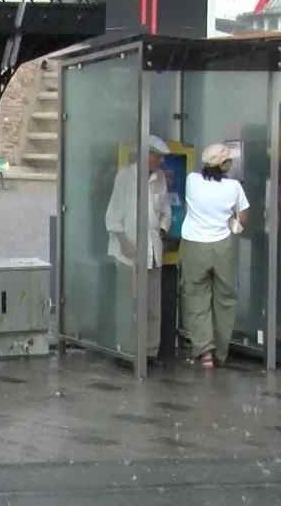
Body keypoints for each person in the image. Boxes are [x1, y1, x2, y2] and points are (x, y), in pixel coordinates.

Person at [179, 143, 250, 367]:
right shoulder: (234, 187)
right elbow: (243, 217)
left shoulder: (192, 180)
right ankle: (220, 352)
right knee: (225, 298)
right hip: (222, 246)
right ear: (224, 165)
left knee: (195, 296)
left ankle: (204, 351)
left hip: (194, 244)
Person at [104, 135, 173, 362]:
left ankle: (149, 352)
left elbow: (165, 210)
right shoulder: (125, 176)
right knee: (126, 304)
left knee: (152, 306)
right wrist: (123, 240)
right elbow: (113, 213)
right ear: (147, 155)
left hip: (152, 251)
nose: (160, 161)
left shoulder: (160, 179)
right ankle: (125, 349)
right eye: (157, 156)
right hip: (128, 250)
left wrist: (161, 230)